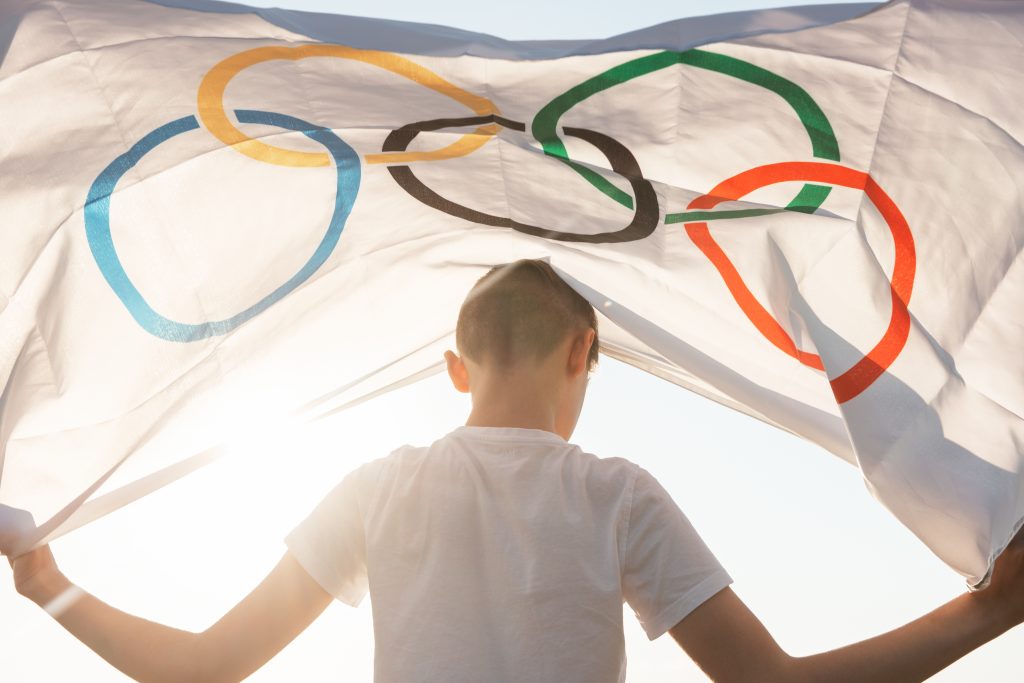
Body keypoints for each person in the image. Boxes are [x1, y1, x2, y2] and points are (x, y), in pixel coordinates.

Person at [8, 259, 1024, 683]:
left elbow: (201, 668)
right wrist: (979, 613)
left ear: (453, 367)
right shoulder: (614, 491)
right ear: (586, 350)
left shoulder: (376, 487)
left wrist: (49, 583)